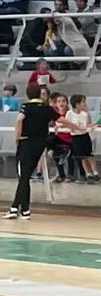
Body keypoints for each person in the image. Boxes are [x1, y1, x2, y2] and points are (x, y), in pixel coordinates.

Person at [7, 82, 51, 219]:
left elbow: (19, 120)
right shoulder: (47, 109)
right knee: (25, 177)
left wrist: (17, 137)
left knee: (23, 177)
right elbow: (61, 119)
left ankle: (17, 208)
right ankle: (22, 208)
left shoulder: (26, 107)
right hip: (39, 145)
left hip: (26, 144)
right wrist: (79, 128)